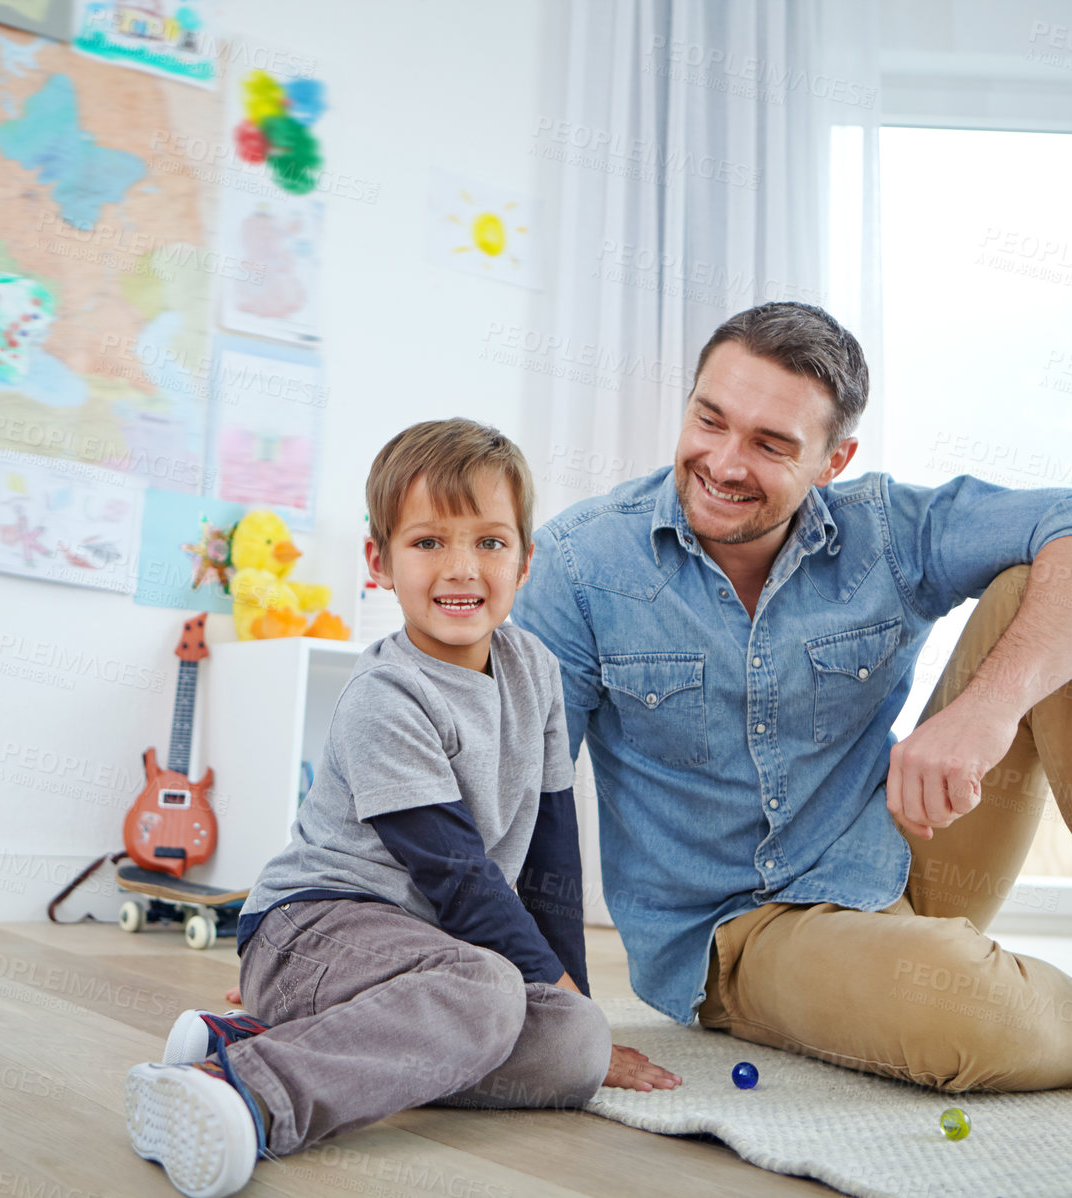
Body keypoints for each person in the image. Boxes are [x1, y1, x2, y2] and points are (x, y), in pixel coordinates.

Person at [511, 301, 1072, 1137]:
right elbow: (533, 802)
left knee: (1058, 587)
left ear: (832, 461)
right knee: (965, 1019)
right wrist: (557, 1010)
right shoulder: (582, 567)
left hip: (904, 850)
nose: (724, 462)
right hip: (741, 936)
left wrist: (984, 714)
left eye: (771, 445)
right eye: (709, 420)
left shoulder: (884, 529)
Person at [125, 418, 681, 1198]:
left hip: (434, 957)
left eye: (489, 542)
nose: (461, 569)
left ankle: (279, 1037)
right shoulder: (386, 698)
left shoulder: (539, 672)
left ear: (525, 562)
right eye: (427, 543)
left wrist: (576, 1005)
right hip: (311, 926)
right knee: (489, 991)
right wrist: (540, 985)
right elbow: (456, 875)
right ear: (378, 562)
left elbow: (553, 848)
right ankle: (245, 1091)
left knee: (574, 1050)